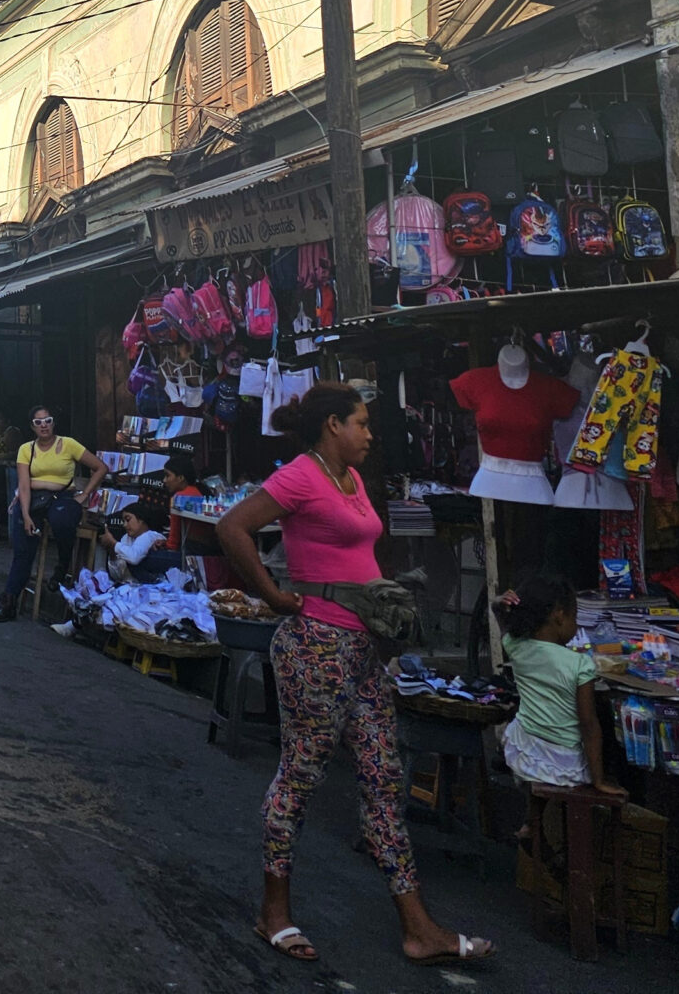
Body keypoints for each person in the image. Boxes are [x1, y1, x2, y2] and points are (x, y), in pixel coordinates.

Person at [215, 381, 493, 967]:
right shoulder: (299, 475)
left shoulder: (352, 478)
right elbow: (232, 528)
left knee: (382, 777)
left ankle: (418, 927)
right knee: (300, 778)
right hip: (316, 645)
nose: (370, 434)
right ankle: (274, 912)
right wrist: (271, 595)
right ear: (332, 426)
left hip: (363, 650)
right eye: (361, 423)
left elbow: (359, 552)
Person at [495, 569, 620, 797]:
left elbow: (500, 619)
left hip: (525, 749)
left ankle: (530, 824)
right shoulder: (580, 664)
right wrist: (598, 780)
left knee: (522, 724)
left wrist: (498, 602)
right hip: (565, 762)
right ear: (559, 616)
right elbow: (588, 724)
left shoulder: (516, 646)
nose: (576, 624)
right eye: (576, 617)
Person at [0, 406, 108, 623]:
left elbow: (101, 467)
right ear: (32, 427)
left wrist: (84, 495)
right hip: (33, 498)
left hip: (62, 497)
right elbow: (24, 486)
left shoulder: (68, 444)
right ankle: (9, 602)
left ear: (53, 423)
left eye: (47, 420)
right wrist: (26, 514)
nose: (43, 425)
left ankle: (61, 567)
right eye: (38, 422)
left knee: (63, 520)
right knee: (23, 548)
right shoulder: (26, 449)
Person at [109, 506, 178, 586]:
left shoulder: (150, 535)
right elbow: (118, 571)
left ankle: (156, 582)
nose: (125, 525)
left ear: (141, 520)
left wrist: (113, 543)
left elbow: (133, 558)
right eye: (123, 521)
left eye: (128, 520)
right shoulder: (126, 538)